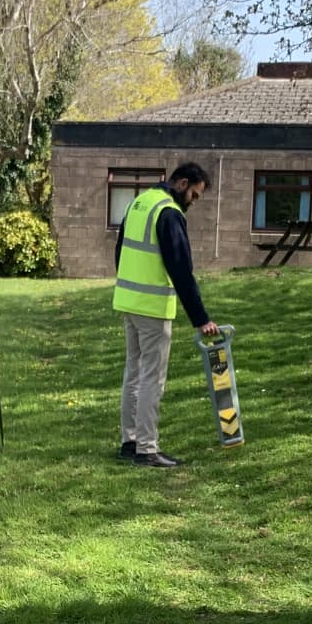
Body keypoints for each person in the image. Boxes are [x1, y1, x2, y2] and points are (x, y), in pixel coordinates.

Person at [113, 163, 219, 469]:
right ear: (183, 183)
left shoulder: (140, 202)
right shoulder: (169, 212)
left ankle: (129, 442)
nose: (193, 203)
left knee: (133, 374)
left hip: (129, 301)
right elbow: (181, 271)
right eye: (194, 195)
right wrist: (201, 319)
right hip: (152, 306)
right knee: (151, 378)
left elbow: (120, 251)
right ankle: (147, 449)